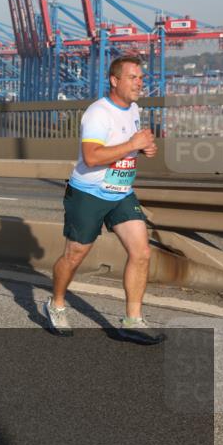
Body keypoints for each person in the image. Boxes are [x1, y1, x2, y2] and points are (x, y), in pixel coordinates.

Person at [44, 56, 163, 345]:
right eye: (133, 77)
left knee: (142, 252)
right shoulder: (98, 113)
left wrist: (144, 148)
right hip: (88, 193)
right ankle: (56, 303)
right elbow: (92, 157)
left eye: (141, 78)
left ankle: (132, 321)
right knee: (75, 256)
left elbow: (127, 146)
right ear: (114, 80)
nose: (139, 83)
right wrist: (132, 144)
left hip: (121, 193)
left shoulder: (133, 108)